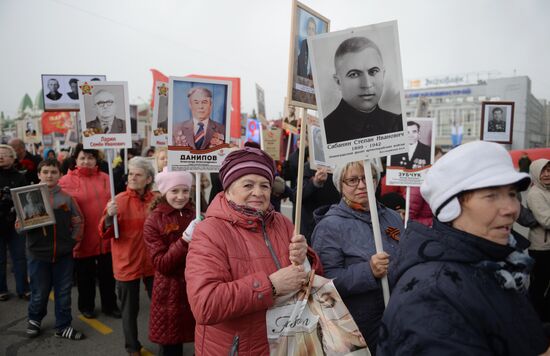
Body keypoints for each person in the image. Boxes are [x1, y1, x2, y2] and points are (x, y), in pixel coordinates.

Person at [378, 141, 549, 355]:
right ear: (451, 206)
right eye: (491, 195)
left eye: (512, 194)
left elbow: (512, 328)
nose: (512, 209)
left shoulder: (499, 265)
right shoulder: (430, 295)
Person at [185, 147, 321, 355]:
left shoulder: (282, 223)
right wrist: (271, 285)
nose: (258, 192)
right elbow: (205, 305)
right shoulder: (210, 231)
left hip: (285, 344)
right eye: (248, 184)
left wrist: (306, 259)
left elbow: (312, 280)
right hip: (238, 348)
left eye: (264, 185)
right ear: (228, 189)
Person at [311, 161, 402, 355]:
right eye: (352, 180)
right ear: (340, 185)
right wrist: (368, 271)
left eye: (368, 178)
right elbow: (325, 284)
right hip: (358, 326)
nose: (361, 185)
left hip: (397, 316)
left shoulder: (393, 218)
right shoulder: (330, 227)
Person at [22, 159, 85, 340]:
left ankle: (63, 325)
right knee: (39, 291)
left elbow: (78, 220)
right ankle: (34, 320)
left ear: (60, 175)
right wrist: (27, 222)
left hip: (63, 255)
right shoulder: (27, 198)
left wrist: (73, 241)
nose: (49, 175)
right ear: (39, 174)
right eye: (46, 172)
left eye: (53, 172)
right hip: (38, 255)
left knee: (64, 292)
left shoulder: (66, 198)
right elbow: (19, 226)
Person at [99, 157, 156, 355]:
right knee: (129, 311)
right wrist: (108, 217)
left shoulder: (156, 200)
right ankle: (132, 347)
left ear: (148, 179)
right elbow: (104, 232)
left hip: (153, 263)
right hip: (126, 263)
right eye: (130, 173)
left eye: (137, 174)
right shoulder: (118, 201)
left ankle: (165, 340)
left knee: (160, 306)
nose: (132, 177)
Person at [58, 144, 120, 319]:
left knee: (108, 275)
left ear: (96, 160)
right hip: (82, 238)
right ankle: (86, 306)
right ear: (75, 160)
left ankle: (110, 305)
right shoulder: (65, 181)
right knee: (85, 276)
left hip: (105, 236)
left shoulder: (106, 178)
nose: (86, 161)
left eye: (90, 157)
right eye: (82, 157)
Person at [143, 169, 198, 356]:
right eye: (175, 191)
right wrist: (185, 240)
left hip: (195, 287)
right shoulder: (154, 220)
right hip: (170, 293)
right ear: (164, 192)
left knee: (201, 340)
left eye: (185, 191)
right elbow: (162, 264)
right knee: (171, 346)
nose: (181, 196)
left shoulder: (195, 214)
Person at [323, 37, 403, 144]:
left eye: (373, 72)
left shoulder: (398, 125)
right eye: (354, 74)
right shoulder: (324, 132)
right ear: (338, 82)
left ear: (383, 74)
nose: (367, 84)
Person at [0, 144, 29, 301]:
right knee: (0, 259)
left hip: (15, 223)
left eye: (5, 154)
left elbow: (25, 199)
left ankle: (23, 288)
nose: (1, 156)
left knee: (19, 257)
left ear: (13, 158)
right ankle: (1, 290)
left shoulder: (20, 177)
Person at [526, 158, 550, 322]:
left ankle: (544, 314)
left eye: (549, 170)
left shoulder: (548, 190)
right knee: (539, 285)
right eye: (543, 171)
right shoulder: (535, 194)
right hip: (541, 248)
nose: (547, 174)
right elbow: (546, 220)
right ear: (535, 173)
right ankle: (534, 318)